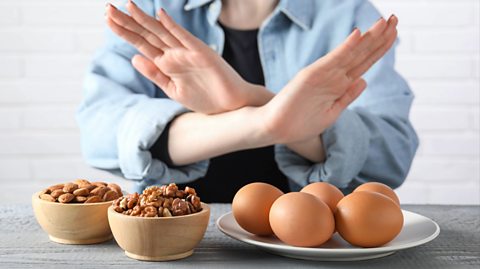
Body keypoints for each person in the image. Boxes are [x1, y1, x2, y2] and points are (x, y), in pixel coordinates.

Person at [76, 0, 418, 202]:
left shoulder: (347, 14)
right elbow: (99, 129)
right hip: (174, 241)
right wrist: (261, 121)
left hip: (310, 251)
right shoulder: (151, 7)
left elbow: (392, 154)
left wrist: (250, 100)